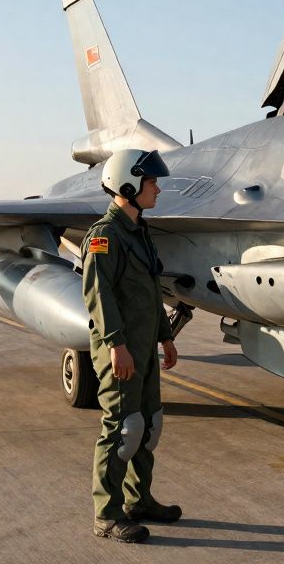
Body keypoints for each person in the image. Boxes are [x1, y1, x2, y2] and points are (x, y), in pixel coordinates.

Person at [83, 148, 181, 544]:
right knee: (123, 429)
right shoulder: (104, 236)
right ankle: (106, 515)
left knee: (149, 426)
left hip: (145, 347)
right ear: (129, 184)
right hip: (120, 350)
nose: (157, 188)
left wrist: (166, 336)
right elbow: (98, 293)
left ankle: (139, 501)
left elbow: (150, 291)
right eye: (151, 181)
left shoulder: (139, 232)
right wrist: (115, 344)